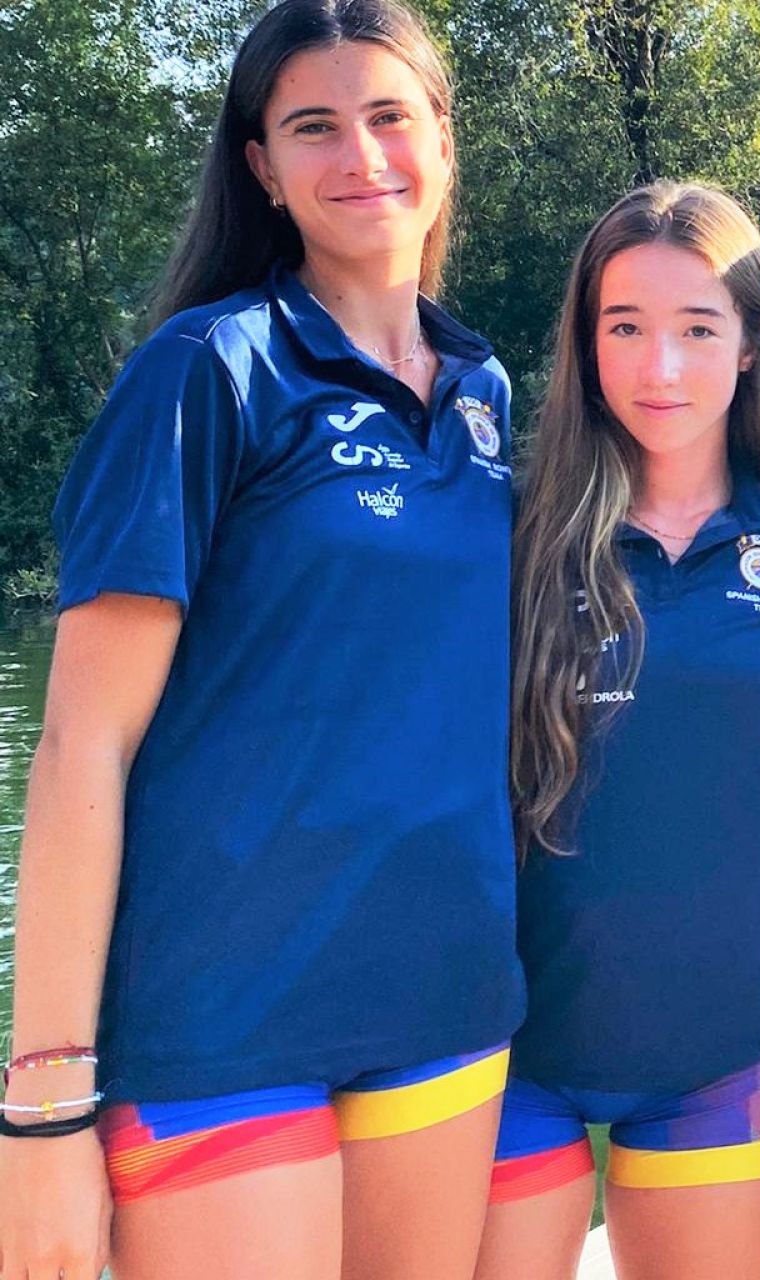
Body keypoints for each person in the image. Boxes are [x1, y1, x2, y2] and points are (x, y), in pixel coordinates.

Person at [0, 2, 522, 1278]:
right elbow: (79, 744)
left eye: (390, 116)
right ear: (263, 168)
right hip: (225, 1020)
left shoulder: (485, 392)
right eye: (314, 127)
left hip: (442, 1001)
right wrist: (43, 1108)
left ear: (443, 138)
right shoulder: (206, 372)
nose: (362, 155)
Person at [474, 182, 760, 1280]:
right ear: (586, 343)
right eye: (626, 327)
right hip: (509, 1041)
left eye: (697, 328)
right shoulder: (512, 530)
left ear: (752, 343)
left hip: (710, 1046)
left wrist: (711, 903)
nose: (662, 367)